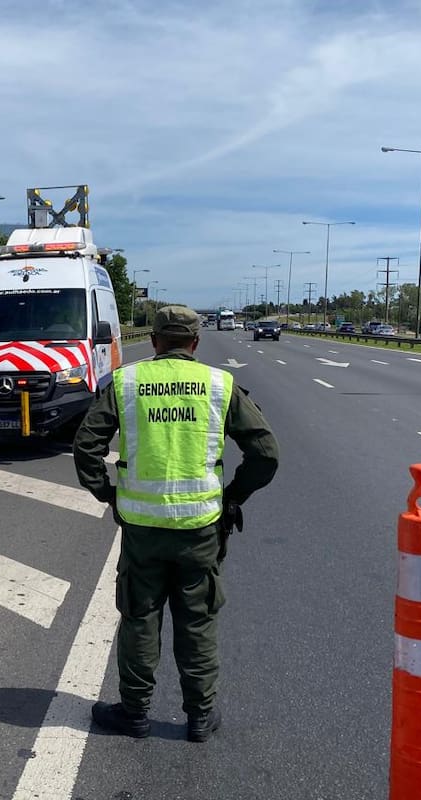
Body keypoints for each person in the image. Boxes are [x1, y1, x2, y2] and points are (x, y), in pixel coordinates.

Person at [73, 304, 279, 742]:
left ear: (153, 341)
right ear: (196, 343)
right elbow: (266, 453)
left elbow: (86, 446)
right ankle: (200, 717)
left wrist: (107, 493)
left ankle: (134, 712)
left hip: (143, 531)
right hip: (200, 529)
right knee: (197, 622)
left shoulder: (127, 382)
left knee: (140, 618)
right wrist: (232, 498)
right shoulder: (219, 385)